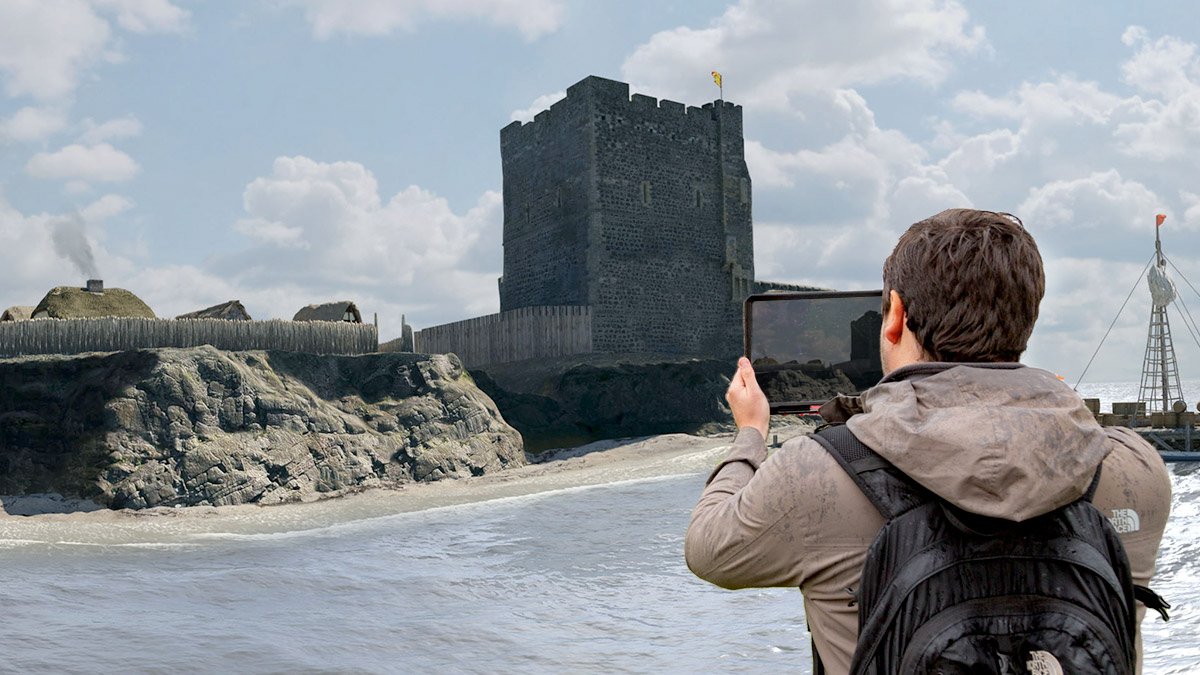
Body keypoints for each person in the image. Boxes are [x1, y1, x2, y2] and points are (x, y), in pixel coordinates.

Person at [685, 208, 1172, 673]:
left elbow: (708, 550)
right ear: (1027, 317)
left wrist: (750, 432)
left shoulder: (815, 475)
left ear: (894, 314)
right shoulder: (1134, 470)